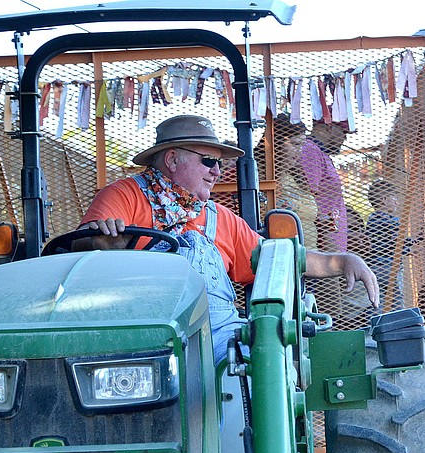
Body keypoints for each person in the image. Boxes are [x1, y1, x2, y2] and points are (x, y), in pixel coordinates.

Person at [78, 114, 379, 363]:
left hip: (216, 334)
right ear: (171, 159)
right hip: (143, 333)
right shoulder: (124, 196)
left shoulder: (219, 217)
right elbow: (78, 254)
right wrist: (103, 244)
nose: (217, 172)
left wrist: (341, 260)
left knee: (263, 359)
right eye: (209, 161)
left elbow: (275, 257)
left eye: (220, 163)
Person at [256, 113, 318, 247]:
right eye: (295, 144)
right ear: (276, 143)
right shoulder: (258, 178)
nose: (299, 151)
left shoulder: (294, 177)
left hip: (310, 255)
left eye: (302, 145)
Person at [300, 118, 350, 253]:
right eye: (343, 133)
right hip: (324, 246)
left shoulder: (321, 153)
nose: (344, 139)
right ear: (329, 127)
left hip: (331, 244)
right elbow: (309, 197)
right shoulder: (310, 150)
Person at [366, 178, 408, 311]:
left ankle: (378, 318)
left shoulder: (372, 219)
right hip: (390, 266)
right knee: (396, 298)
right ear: (384, 200)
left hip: (375, 266)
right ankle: (397, 320)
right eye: (394, 197)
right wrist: (409, 246)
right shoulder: (391, 220)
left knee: (380, 298)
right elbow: (396, 241)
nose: (397, 201)